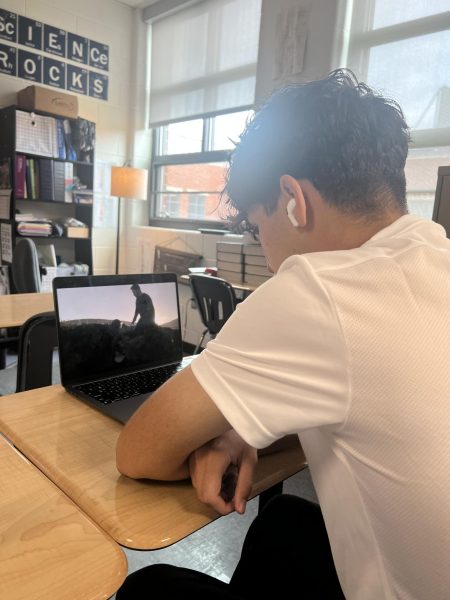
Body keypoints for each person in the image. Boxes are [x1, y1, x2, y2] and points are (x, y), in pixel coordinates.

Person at [115, 70, 450, 599]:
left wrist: (219, 435)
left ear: (294, 199)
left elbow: (138, 451)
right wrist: (241, 430)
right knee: (286, 524)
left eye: (255, 226)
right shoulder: (435, 253)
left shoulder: (321, 290)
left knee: (150, 588)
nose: (265, 253)